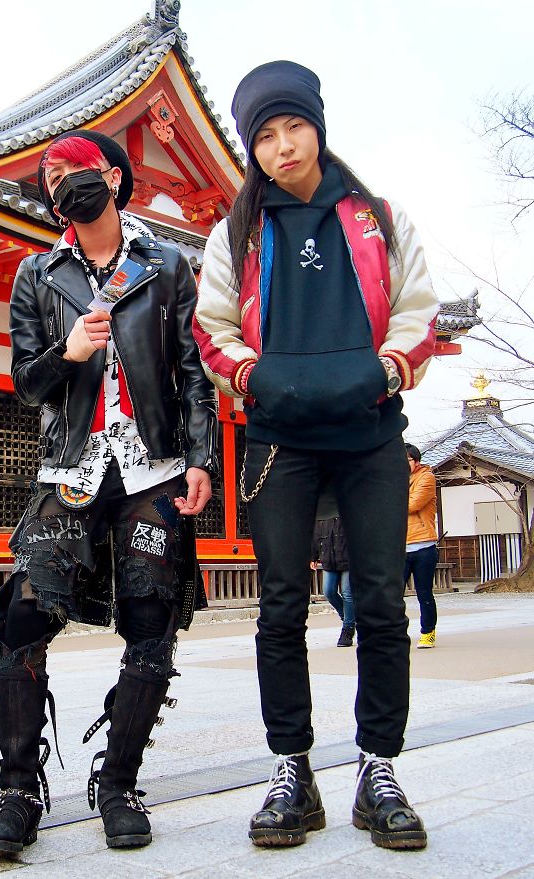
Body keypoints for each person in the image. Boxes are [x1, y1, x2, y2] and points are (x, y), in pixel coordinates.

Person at [194, 61, 439, 851]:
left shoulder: (380, 218)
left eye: (293, 126)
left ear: (318, 127)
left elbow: (417, 312)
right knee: (279, 606)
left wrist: (390, 367)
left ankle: (379, 767)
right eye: (263, 136)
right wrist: (251, 375)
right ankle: (291, 769)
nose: (281, 146)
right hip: (279, 439)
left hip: (370, 432)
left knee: (379, 603)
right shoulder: (235, 233)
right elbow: (212, 328)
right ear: (251, 151)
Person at [0, 130, 217, 855]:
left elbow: (192, 368)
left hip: (151, 467)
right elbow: (25, 380)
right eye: (50, 178)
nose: (61, 185)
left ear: (111, 177)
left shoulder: (165, 265)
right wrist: (67, 351)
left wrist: (200, 455)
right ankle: (18, 786)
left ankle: (117, 781)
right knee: (21, 616)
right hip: (71, 466)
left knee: (151, 619)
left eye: (74, 172)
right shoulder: (36, 274)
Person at [404, 444, 439, 648]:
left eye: (407, 460)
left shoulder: (426, 477)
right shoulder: (396, 479)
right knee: (392, 594)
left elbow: (413, 504)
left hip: (423, 545)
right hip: (400, 546)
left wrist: (390, 500)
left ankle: (428, 632)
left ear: (416, 461)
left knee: (424, 593)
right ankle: (396, 632)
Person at [312, 516, 355, 647]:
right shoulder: (323, 513)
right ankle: (348, 617)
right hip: (329, 558)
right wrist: (313, 556)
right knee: (329, 591)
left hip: (349, 558)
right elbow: (316, 535)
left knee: (347, 593)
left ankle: (348, 628)